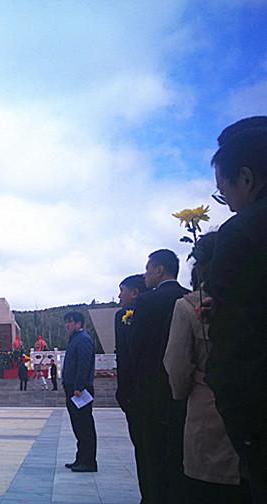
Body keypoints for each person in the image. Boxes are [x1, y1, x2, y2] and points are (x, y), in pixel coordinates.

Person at [204, 116, 267, 502]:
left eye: (222, 192)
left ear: (245, 178)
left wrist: (245, 435)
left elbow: (234, 352)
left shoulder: (244, 232)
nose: (226, 204)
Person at [163, 232, 245, 502]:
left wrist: (183, 394)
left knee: (210, 487)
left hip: (208, 409)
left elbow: (176, 364)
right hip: (251, 415)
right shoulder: (252, 298)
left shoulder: (188, 306)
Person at [130, 249, 190, 502]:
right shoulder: (189, 297)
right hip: (186, 392)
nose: (145, 275)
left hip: (151, 390)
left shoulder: (147, 302)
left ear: (159, 269)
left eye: (147, 269)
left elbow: (137, 348)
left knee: (151, 454)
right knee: (179, 453)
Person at [61, 311, 97, 473]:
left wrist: (78, 387)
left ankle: (89, 461)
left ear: (78, 324)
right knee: (78, 426)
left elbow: (84, 365)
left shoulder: (83, 340)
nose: (67, 325)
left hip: (79, 391)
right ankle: (81, 458)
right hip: (73, 389)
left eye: (70, 322)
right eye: (66, 322)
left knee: (84, 426)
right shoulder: (75, 339)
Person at [114, 274, 147, 415]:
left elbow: (124, 354)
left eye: (122, 291)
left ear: (134, 293)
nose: (119, 296)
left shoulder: (124, 316)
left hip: (135, 385)